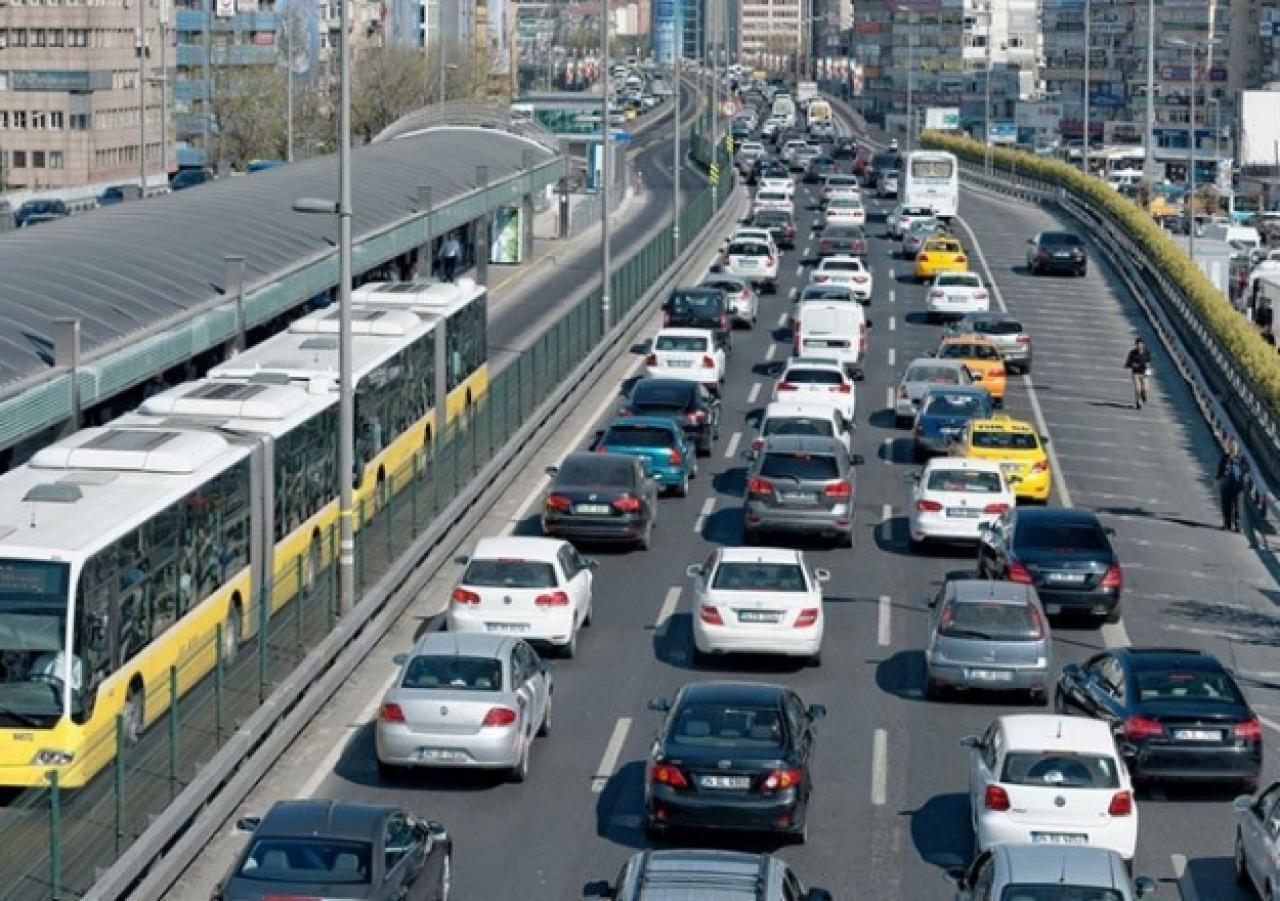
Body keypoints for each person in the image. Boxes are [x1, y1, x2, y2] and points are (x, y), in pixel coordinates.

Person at [1216, 439, 1249, 532]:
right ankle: (1227, 524)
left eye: (1233, 448)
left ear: (1237, 449)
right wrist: (1218, 478)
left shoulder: (1242, 459)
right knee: (1226, 505)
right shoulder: (1226, 458)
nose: (1232, 450)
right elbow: (1220, 470)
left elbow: (1247, 469)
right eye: (1230, 448)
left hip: (1237, 487)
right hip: (1226, 486)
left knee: (1237, 506)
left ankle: (1237, 526)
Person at [1122, 338, 1152, 408]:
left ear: (1143, 345)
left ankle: (1143, 394)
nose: (1140, 346)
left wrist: (1148, 370)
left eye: (1141, 344)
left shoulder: (1147, 353)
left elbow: (1149, 362)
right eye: (1138, 344)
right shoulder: (1132, 353)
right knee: (1138, 389)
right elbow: (1127, 364)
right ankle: (1138, 402)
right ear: (1136, 345)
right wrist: (1133, 365)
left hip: (1144, 373)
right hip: (1136, 373)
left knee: (1145, 388)